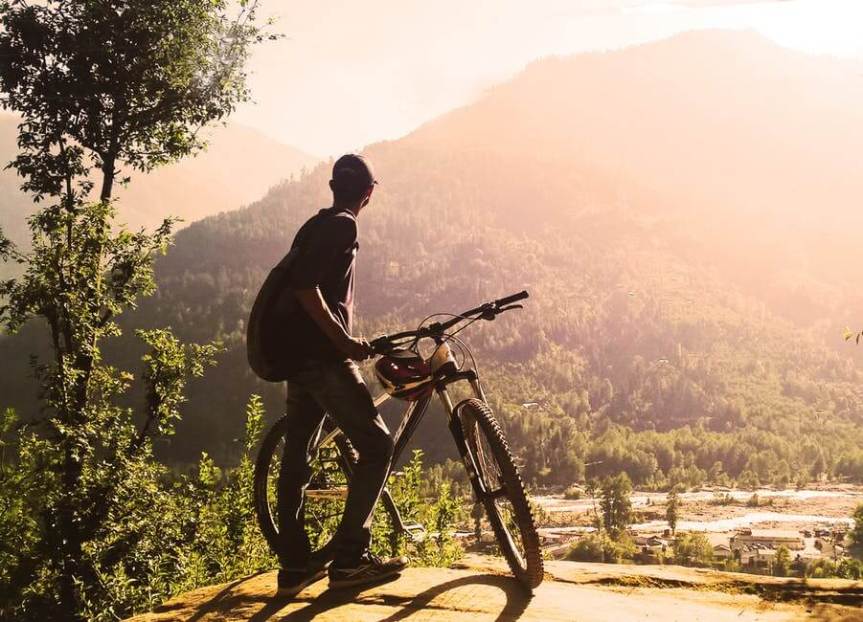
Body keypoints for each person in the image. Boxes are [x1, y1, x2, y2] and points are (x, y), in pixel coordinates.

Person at [275, 154, 408, 597]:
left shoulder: (314, 224)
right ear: (369, 193)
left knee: (298, 454)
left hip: (297, 358)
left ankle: (294, 565)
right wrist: (344, 342)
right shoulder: (343, 226)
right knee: (377, 447)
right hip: (325, 360)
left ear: (333, 186)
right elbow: (306, 287)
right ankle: (349, 560)